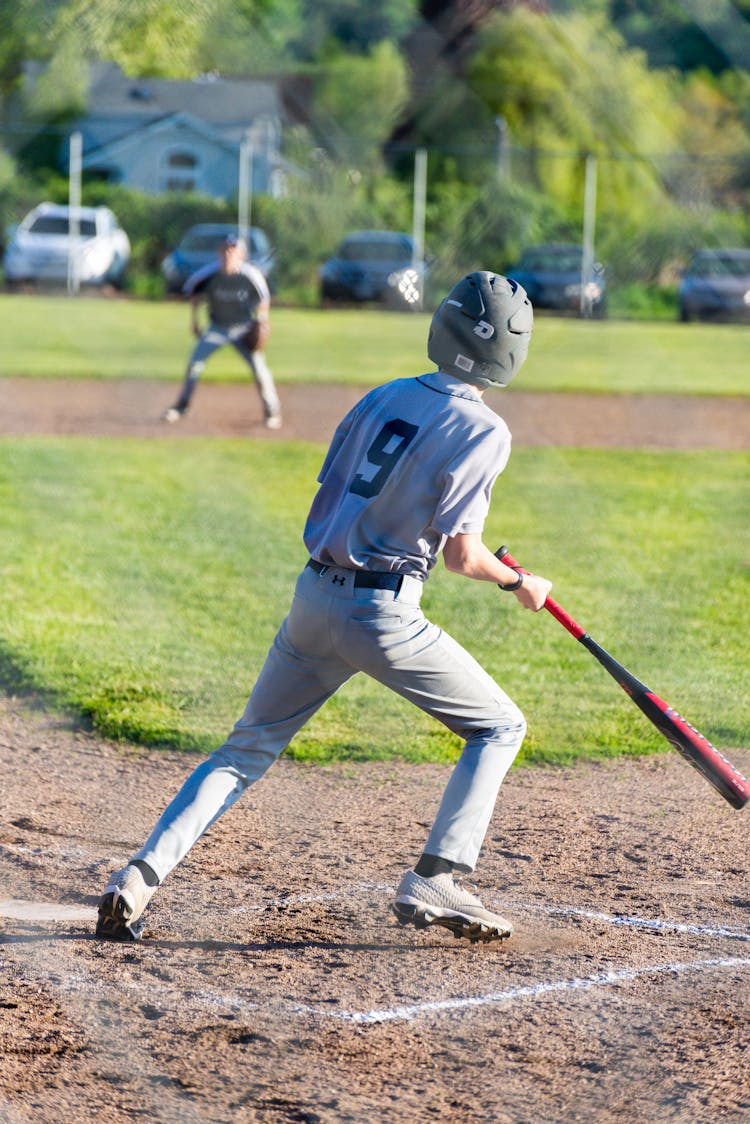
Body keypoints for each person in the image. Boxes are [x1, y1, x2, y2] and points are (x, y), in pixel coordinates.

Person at [98, 271, 552, 945]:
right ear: (509, 352)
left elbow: (341, 490)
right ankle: (439, 873)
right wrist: (517, 581)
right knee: (500, 727)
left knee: (245, 749)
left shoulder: (385, 396)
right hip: (382, 614)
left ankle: (136, 879)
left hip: (313, 594)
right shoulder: (485, 428)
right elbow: (462, 556)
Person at [162, 232, 282, 430]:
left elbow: (264, 299)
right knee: (194, 365)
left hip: (243, 329)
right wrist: (195, 322)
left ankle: (272, 412)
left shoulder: (250, 275)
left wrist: (262, 321)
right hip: (216, 328)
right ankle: (181, 407)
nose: (228, 254)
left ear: (241, 255)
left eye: (232, 250)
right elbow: (193, 293)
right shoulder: (210, 275)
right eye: (225, 250)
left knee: (260, 370)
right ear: (219, 253)